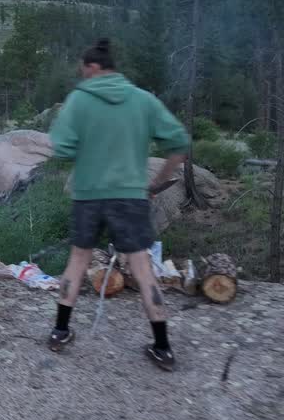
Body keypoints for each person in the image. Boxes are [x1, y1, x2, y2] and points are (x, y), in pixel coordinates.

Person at [46, 38, 189, 371]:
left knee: (77, 261)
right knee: (142, 266)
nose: (83, 77)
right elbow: (179, 143)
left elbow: (62, 148)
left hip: (88, 195)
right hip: (130, 196)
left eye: (84, 71)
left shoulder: (79, 100)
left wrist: (90, 152)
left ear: (94, 67)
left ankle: (59, 331)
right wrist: (156, 182)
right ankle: (163, 348)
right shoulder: (142, 99)